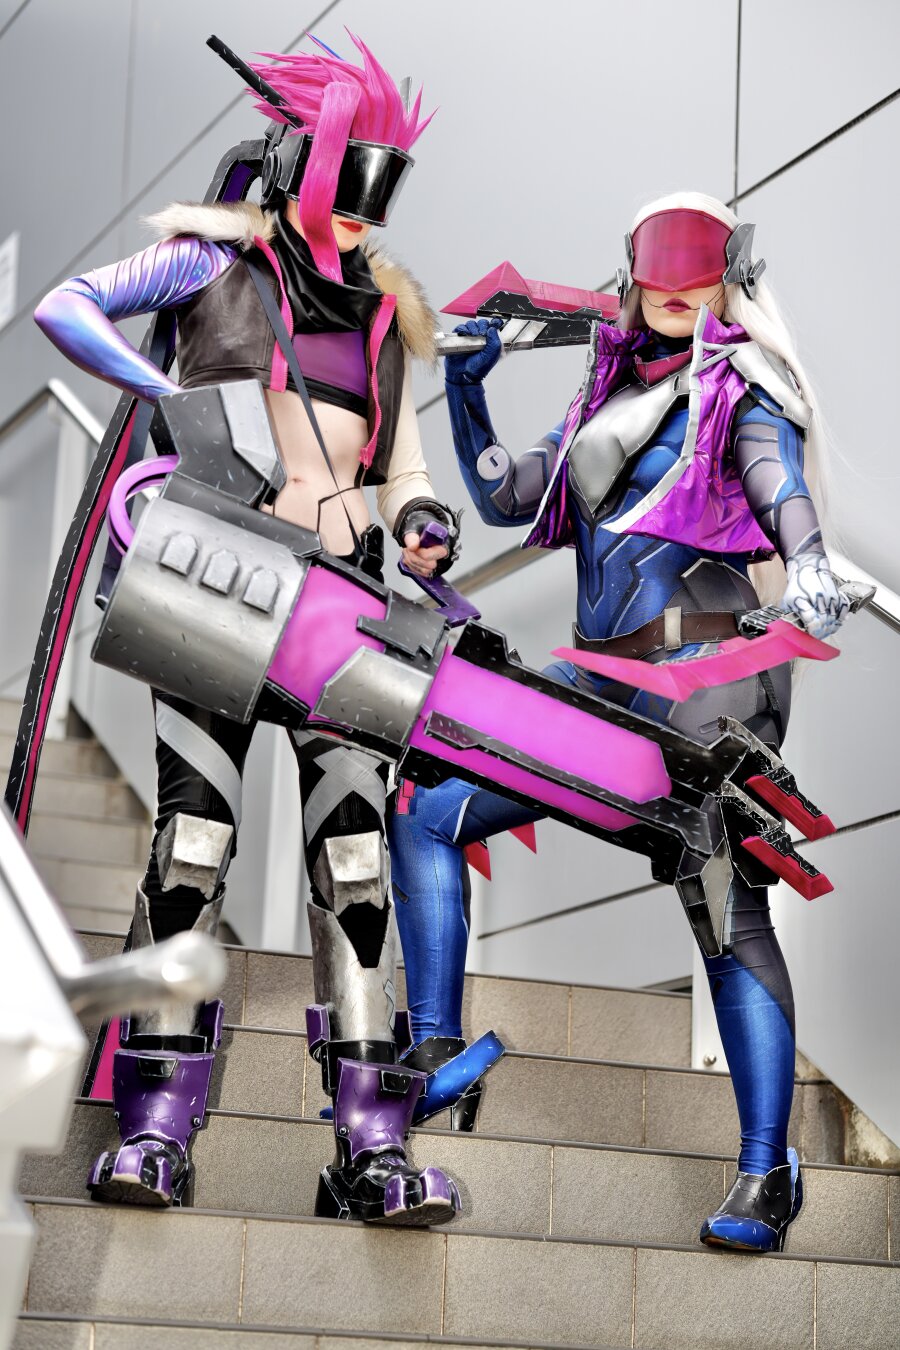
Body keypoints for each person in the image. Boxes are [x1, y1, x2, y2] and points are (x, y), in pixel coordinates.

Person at [33, 32, 465, 1226]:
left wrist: (420, 518)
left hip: (344, 602)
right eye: (351, 173)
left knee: (355, 859)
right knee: (192, 843)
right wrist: (169, 403)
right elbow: (67, 306)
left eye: (383, 182)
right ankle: (155, 1124)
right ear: (297, 168)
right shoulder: (208, 266)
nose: (366, 206)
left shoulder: (382, 315)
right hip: (218, 583)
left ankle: (371, 1143)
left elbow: (404, 463)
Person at [390, 191, 847, 1251]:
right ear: (631, 274)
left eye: (698, 263)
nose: (676, 285)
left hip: (704, 674)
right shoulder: (608, 396)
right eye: (658, 263)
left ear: (731, 273)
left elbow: (775, 479)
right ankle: (436, 1048)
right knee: (428, 805)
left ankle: (768, 1172)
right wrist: (468, 390)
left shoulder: (739, 389)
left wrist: (811, 558)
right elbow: (509, 497)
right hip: (604, 679)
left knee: (725, 906)